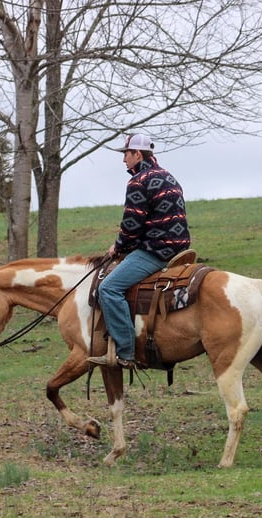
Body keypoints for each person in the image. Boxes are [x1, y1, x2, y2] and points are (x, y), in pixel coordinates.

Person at [88, 134, 191, 368]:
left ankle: (125, 352)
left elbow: (132, 225)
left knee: (109, 288)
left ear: (138, 154)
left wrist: (118, 246)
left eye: (126, 154)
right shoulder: (168, 176)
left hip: (156, 250)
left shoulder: (138, 181)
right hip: (180, 247)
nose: (123, 159)